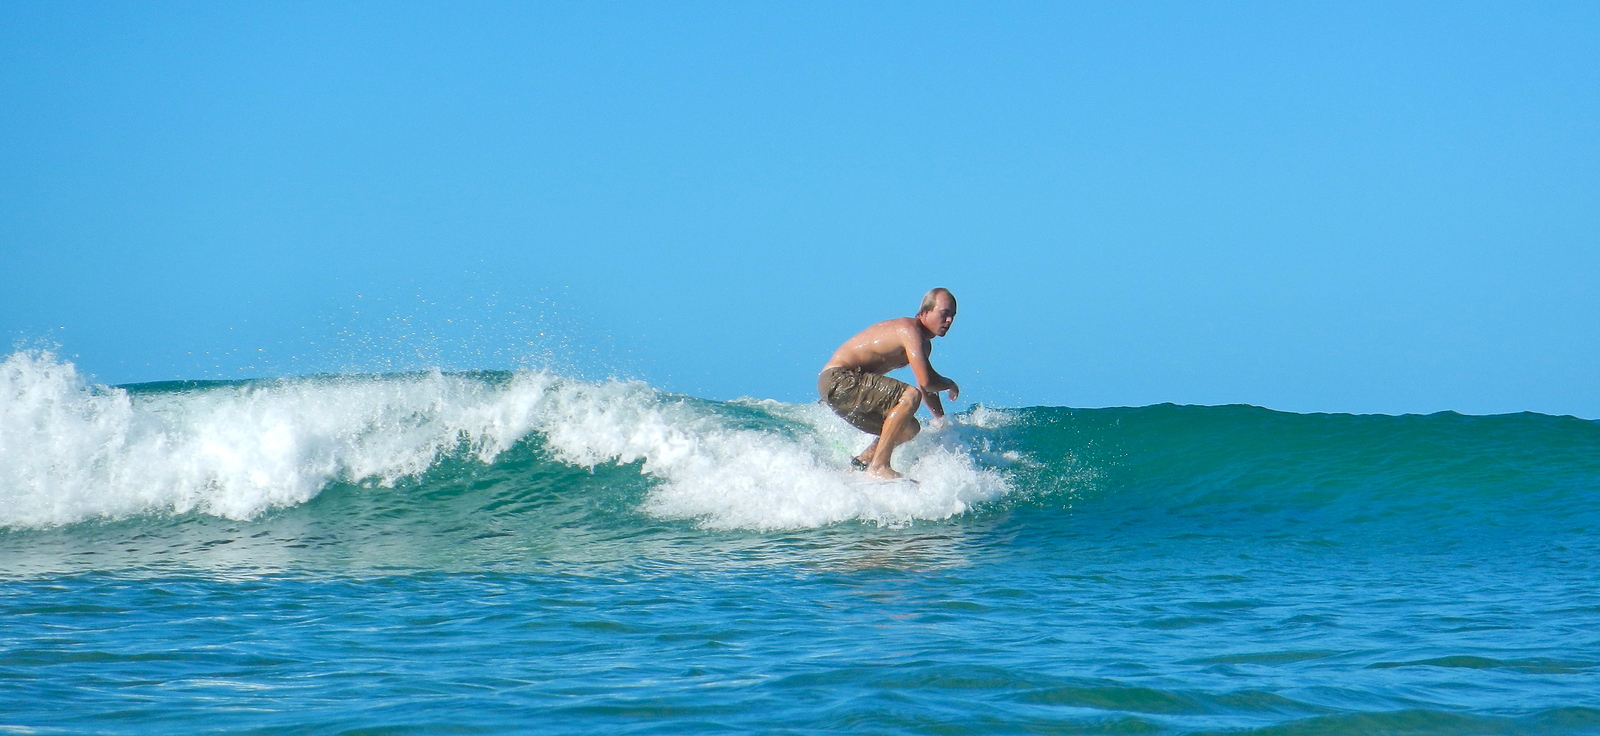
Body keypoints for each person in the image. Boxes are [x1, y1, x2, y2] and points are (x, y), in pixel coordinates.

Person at [818, 287, 960, 480]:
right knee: (910, 395)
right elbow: (927, 382)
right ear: (925, 312)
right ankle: (879, 466)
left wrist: (941, 421)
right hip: (838, 379)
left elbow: (926, 383)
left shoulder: (923, 344)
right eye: (944, 314)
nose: (949, 320)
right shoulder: (909, 330)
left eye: (952, 315)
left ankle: (861, 464)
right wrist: (950, 383)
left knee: (909, 428)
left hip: (839, 390)